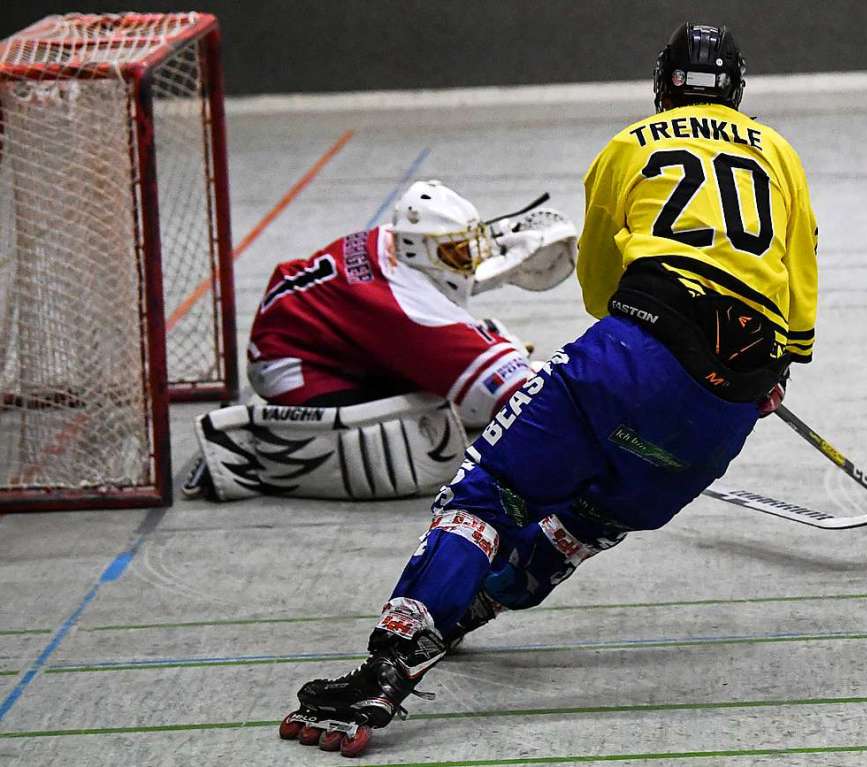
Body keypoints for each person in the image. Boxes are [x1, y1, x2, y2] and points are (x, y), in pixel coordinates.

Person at [279, 22, 818, 754]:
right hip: (734, 400)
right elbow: (800, 275)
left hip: (636, 350)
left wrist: (645, 350)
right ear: (738, 89)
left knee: (488, 490)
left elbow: (600, 288)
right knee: (587, 519)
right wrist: (770, 373)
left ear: (664, 86)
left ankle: (391, 658)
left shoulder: (632, 145)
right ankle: (480, 599)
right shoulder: (780, 152)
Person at [187, 179, 577, 501]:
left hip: (320, 337)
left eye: (471, 245)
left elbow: (439, 280)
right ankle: (250, 448)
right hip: (294, 371)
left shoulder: (393, 239)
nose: (469, 260)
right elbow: (518, 397)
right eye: (458, 252)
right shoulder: (407, 309)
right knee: (424, 435)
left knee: (479, 360)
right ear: (417, 248)